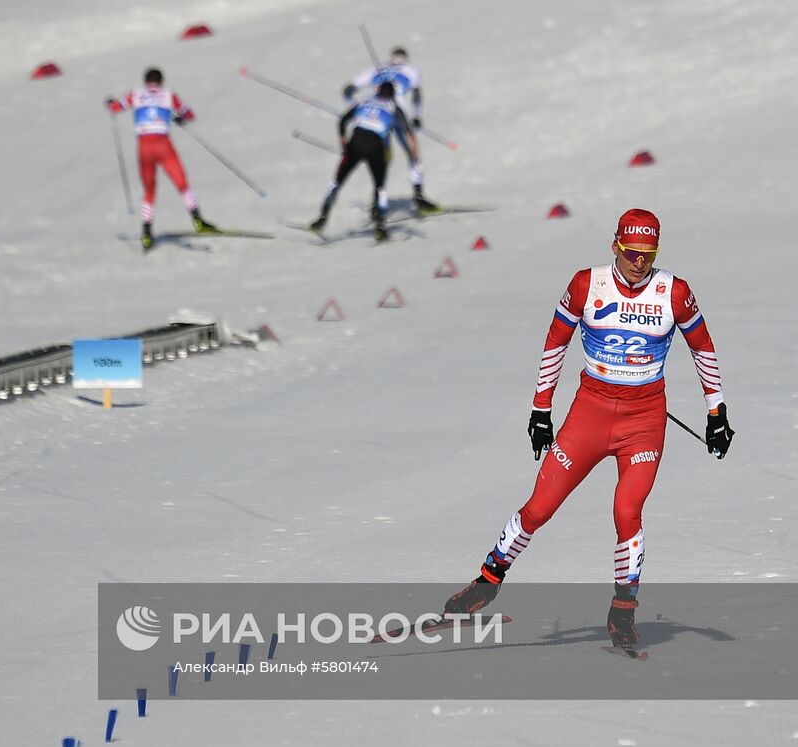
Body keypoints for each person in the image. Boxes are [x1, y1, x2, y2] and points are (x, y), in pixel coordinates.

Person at [442, 209, 734, 653]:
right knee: (540, 507)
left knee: (626, 510)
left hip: (643, 421)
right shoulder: (586, 284)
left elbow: (703, 348)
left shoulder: (674, 292)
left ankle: (623, 611)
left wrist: (717, 412)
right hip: (590, 414)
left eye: (648, 254)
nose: (640, 263)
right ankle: (487, 580)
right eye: (632, 253)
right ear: (615, 246)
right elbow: (555, 341)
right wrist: (541, 410)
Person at [106, 67, 217, 251]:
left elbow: (115, 108)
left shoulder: (136, 94)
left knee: (149, 190)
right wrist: (180, 119)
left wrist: (110, 103)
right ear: (161, 81)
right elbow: (189, 114)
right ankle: (198, 220)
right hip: (163, 145)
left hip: (144, 148)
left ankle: (147, 235)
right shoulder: (168, 95)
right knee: (182, 184)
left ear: (146, 81)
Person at [309, 81, 420, 241]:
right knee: (380, 187)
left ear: (378, 91)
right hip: (376, 146)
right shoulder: (394, 108)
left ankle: (322, 217)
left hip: (355, 142)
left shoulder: (364, 101)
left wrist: (343, 142)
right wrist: (414, 153)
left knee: (337, 182)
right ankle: (380, 226)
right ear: (393, 95)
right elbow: (407, 131)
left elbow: (342, 121)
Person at [343, 46, 437, 212]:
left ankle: (381, 202)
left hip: (384, 117)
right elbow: (416, 94)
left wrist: (357, 110)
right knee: (407, 155)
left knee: (390, 158)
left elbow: (348, 90)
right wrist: (417, 116)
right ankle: (414, 197)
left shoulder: (379, 68)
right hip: (397, 117)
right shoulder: (408, 70)